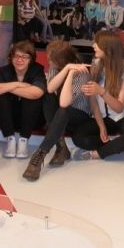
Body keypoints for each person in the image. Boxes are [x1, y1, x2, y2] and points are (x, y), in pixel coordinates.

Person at [22, 40, 91, 181]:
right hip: (61, 115)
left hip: (79, 117)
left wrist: (70, 74)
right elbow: (50, 89)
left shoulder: (82, 73)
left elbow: (64, 103)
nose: (48, 60)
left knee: (63, 110)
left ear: (61, 61)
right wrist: (66, 70)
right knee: (47, 95)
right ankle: (61, 147)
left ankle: (40, 154)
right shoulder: (56, 68)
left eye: (50, 59)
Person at [72, 31, 124, 160]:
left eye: (97, 43)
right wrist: (101, 126)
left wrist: (101, 91)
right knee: (78, 137)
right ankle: (120, 146)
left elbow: (119, 108)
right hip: (103, 118)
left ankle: (97, 153)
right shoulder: (96, 63)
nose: (93, 45)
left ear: (108, 48)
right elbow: (93, 101)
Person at [0, 41, 47, 159]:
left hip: (32, 121)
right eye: (16, 56)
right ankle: (10, 139)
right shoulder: (6, 70)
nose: (20, 60)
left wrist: (6, 88)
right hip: (10, 120)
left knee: (31, 97)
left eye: (24, 57)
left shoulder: (36, 70)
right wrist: (17, 84)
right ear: (11, 57)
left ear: (31, 59)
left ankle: (24, 140)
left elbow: (37, 92)